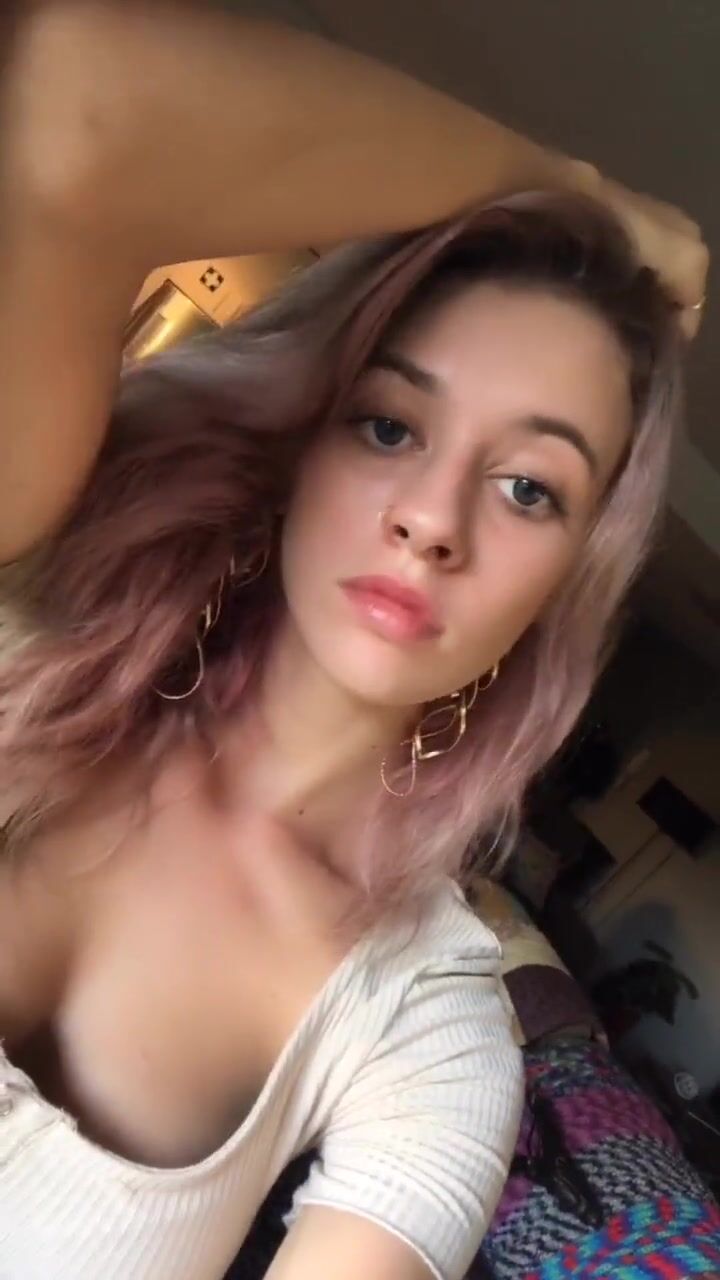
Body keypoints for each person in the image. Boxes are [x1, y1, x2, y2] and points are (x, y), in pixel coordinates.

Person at [0, 4, 708, 1279]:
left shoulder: (428, 1027)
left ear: (565, 584)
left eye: (528, 487)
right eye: (390, 425)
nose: (432, 519)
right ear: (303, 431)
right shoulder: (42, 581)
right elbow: (75, 91)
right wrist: (580, 196)